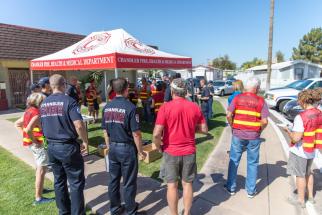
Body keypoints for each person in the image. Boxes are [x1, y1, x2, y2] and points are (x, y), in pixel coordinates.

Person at [153, 78, 208, 215]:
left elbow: (156, 133)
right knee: (187, 184)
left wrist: (158, 145)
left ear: (172, 91)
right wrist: (191, 129)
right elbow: (204, 129)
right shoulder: (194, 106)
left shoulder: (165, 107)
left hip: (171, 151)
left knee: (171, 185)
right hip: (189, 151)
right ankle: (187, 213)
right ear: (185, 92)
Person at [40, 74, 89, 215]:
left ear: (51, 86)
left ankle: (63, 211)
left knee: (59, 181)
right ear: (64, 85)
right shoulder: (69, 101)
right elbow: (79, 125)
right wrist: (85, 141)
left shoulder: (44, 103)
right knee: (75, 183)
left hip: (52, 146)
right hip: (67, 146)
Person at [102, 78, 147, 215]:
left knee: (113, 180)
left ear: (114, 90)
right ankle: (130, 211)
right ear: (127, 89)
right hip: (126, 149)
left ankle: (115, 209)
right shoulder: (130, 107)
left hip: (113, 148)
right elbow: (136, 134)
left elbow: (105, 131)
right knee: (129, 182)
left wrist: (109, 146)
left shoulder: (107, 107)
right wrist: (140, 151)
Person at [225, 77, 269, 198]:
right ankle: (250, 190)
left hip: (238, 134)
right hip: (253, 136)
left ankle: (231, 187)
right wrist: (259, 129)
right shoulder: (261, 101)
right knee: (253, 163)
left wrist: (232, 126)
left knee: (234, 160)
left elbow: (228, 115)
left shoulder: (237, 98)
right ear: (257, 88)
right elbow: (264, 121)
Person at [283, 89, 322, 208]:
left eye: (299, 101)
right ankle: (310, 197)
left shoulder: (301, 117)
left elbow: (296, 138)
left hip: (301, 151)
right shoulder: (319, 113)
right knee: (308, 172)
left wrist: (288, 131)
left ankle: (300, 200)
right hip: (312, 150)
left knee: (300, 175)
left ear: (303, 101)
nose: (298, 103)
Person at [15, 93, 54, 205]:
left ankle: (41, 189)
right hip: (39, 145)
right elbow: (28, 129)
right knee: (41, 170)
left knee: (39, 168)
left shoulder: (28, 111)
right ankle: (38, 198)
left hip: (33, 146)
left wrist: (27, 138)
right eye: (44, 101)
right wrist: (34, 139)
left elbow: (17, 124)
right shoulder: (37, 113)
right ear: (39, 102)